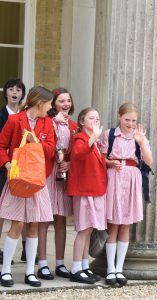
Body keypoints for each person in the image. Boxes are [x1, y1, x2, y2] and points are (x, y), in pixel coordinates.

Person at [0, 86, 55, 287]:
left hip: (37, 181)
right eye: (49, 104)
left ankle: (30, 272)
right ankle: (5, 271)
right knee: (17, 224)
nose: (50, 108)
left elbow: (51, 149)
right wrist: (6, 164)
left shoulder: (47, 123)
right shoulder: (15, 120)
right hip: (17, 180)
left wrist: (34, 141)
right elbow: (1, 145)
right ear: (40, 103)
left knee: (33, 224)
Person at [101, 103, 153, 285]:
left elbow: (149, 161)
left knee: (125, 225)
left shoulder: (139, 137)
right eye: (127, 120)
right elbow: (101, 157)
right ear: (119, 117)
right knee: (113, 225)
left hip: (132, 178)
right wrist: (110, 163)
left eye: (133, 120)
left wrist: (140, 142)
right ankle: (110, 269)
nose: (130, 124)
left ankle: (119, 269)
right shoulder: (110, 134)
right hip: (114, 177)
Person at [37, 88, 77, 280]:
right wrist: (54, 123)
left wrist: (70, 162)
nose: (66, 104)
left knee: (61, 220)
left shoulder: (75, 126)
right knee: (43, 219)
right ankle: (42, 263)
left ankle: (60, 263)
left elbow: (76, 151)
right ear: (53, 104)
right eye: (61, 101)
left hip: (63, 174)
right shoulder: (46, 122)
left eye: (68, 101)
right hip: (47, 172)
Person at [68, 107, 107, 284]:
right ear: (82, 122)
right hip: (84, 191)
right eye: (91, 118)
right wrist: (93, 138)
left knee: (89, 229)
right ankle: (76, 268)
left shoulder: (94, 142)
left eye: (97, 118)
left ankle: (84, 266)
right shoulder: (81, 138)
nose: (95, 121)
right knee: (83, 230)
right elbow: (79, 153)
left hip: (94, 189)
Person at [0, 78, 26, 265]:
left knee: (23, 211)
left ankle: (26, 247)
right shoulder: (1, 116)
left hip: (24, 169)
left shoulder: (26, 118)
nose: (14, 92)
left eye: (18, 90)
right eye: (11, 89)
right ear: (6, 93)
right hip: (3, 168)